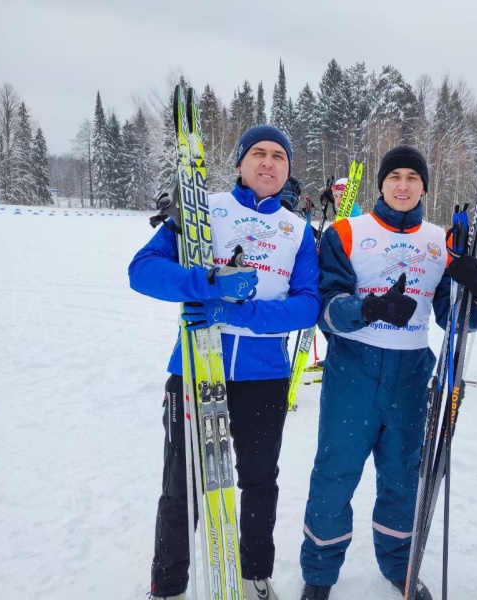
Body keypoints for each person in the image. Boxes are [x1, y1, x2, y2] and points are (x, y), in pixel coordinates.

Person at [128, 124, 321, 600]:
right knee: (183, 483)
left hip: (264, 375)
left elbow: (307, 305)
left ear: (288, 169)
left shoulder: (297, 232)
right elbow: (143, 271)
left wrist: (244, 313)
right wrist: (208, 284)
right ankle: (169, 584)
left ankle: (254, 573)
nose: (269, 163)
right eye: (259, 153)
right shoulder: (204, 210)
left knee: (259, 480)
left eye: (279, 156)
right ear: (239, 162)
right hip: (195, 367)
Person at [299, 145, 477, 600]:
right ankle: (319, 574)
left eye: (413, 177)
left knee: (404, 476)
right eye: (395, 177)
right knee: (335, 473)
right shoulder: (347, 232)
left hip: (411, 374)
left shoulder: (439, 241)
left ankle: (398, 565)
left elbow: (454, 316)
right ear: (382, 183)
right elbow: (325, 308)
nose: (403, 185)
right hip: (354, 371)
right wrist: (368, 308)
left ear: (424, 186)